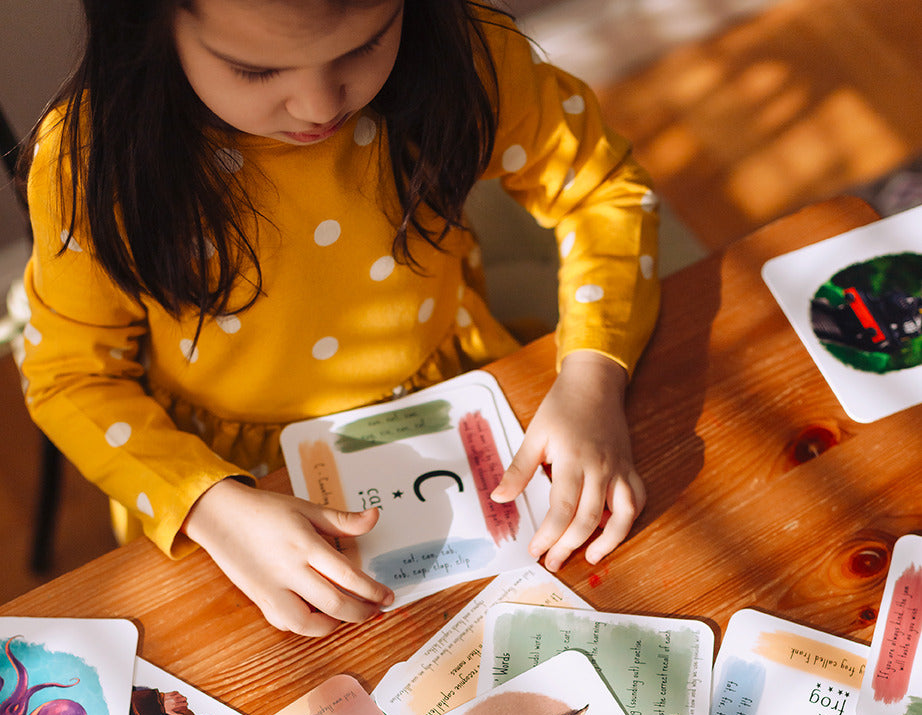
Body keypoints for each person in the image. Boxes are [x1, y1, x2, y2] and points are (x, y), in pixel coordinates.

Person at [19, 0, 660, 638]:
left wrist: (591, 379)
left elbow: (602, 189)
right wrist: (211, 508)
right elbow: (68, 375)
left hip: (458, 401)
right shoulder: (88, 164)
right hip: (227, 485)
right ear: (148, 28)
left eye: (363, 46)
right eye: (256, 71)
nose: (321, 105)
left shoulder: (464, 53)